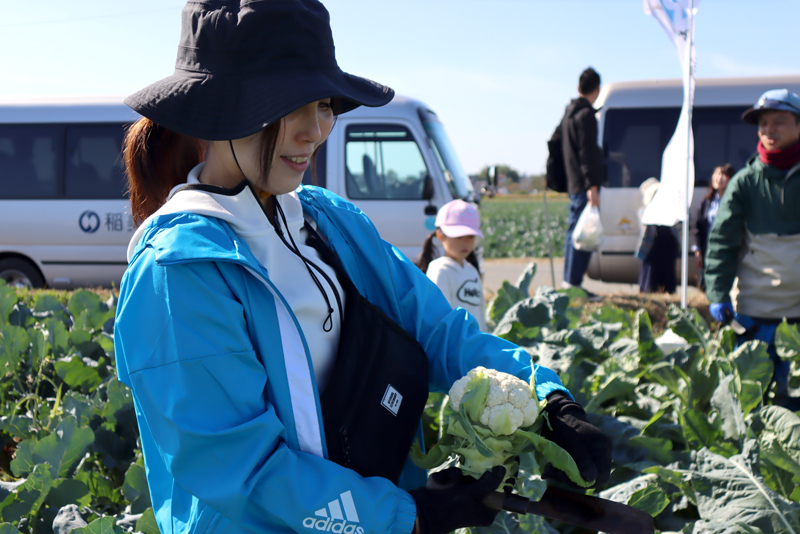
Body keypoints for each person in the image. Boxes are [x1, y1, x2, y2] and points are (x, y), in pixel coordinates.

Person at [113, 3, 612, 534]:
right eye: (291, 104)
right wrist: (409, 517)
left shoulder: (329, 222)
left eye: (324, 103)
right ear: (218, 110)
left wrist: (546, 398)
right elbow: (244, 474)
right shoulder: (179, 275)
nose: (315, 130)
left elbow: (437, 330)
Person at [705, 89, 800, 407]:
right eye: (763, 124)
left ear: (798, 126)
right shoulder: (744, 182)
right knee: (751, 403)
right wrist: (717, 294)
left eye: (779, 122)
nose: (769, 131)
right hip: (755, 312)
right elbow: (721, 243)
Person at [561, 67, 604, 301]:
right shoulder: (586, 115)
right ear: (596, 90)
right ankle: (574, 284)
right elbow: (588, 153)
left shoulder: (568, 114)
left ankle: (569, 282)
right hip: (585, 185)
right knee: (583, 235)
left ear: (579, 88)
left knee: (573, 233)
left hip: (573, 182)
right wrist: (593, 186)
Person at [417, 200, 487, 332]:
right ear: (440, 235)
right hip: (452, 349)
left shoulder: (472, 270)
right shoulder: (440, 269)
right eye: (459, 236)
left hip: (474, 347)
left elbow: (481, 314)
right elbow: (437, 318)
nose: (465, 242)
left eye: (470, 236)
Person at [692, 164, 734, 290]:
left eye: (723, 175)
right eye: (716, 174)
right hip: (708, 249)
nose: (718, 178)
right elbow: (698, 227)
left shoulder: (734, 201)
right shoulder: (707, 202)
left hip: (726, 249)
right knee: (706, 282)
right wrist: (698, 250)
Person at [635, 178, 679, 294]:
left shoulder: (669, 209)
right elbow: (644, 226)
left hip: (666, 244)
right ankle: (649, 290)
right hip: (652, 245)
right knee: (650, 272)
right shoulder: (643, 211)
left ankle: (667, 290)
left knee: (667, 271)